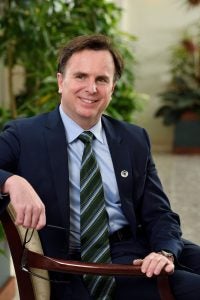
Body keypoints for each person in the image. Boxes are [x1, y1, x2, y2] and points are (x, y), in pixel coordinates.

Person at [0, 34, 200, 300]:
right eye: (80, 76)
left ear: (113, 87)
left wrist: (164, 252)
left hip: (139, 251)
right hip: (79, 266)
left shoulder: (133, 139)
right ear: (61, 82)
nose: (91, 88)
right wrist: (12, 182)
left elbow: (159, 213)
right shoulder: (24, 135)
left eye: (102, 79)